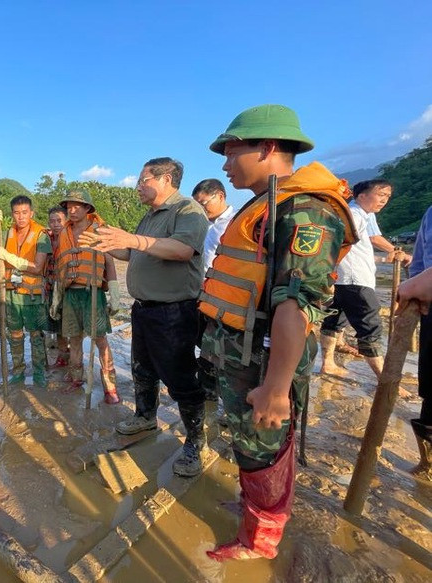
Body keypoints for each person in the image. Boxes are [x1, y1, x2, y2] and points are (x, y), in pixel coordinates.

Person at [199, 104, 357, 560]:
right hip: (240, 355)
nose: (226, 165)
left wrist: (276, 387)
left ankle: (259, 541)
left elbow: (297, 304)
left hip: (265, 363)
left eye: (232, 152)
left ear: (268, 148)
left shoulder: (304, 210)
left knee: (265, 448)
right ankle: (254, 506)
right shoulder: (266, 203)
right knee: (249, 444)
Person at [79, 157, 209, 476]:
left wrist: (132, 240)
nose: (138, 187)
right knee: (143, 369)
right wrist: (107, 245)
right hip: (145, 309)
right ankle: (145, 417)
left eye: (143, 180)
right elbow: (134, 251)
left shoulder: (187, 210)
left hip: (174, 311)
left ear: (165, 179)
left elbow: (182, 250)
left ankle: (195, 440)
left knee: (180, 378)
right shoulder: (150, 215)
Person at [319, 179, 412, 379]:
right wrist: (384, 257)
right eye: (380, 195)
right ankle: (385, 378)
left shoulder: (360, 215)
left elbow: (353, 249)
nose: (384, 200)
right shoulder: (354, 215)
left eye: (387, 196)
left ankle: (327, 363)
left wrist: (383, 257)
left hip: (343, 279)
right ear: (361, 196)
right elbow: (340, 248)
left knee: (333, 321)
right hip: (355, 280)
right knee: (371, 326)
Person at [51, 190, 121, 404]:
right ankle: (76, 379)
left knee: (100, 340)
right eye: (69, 207)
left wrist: (115, 295)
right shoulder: (64, 233)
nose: (72, 211)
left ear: (87, 208)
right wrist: (56, 298)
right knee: (74, 339)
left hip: (93, 293)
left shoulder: (100, 230)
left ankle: (110, 387)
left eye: (77, 206)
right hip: (71, 294)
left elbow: (109, 263)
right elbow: (61, 268)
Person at [0, 195, 52, 388]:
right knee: (14, 334)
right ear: (12, 215)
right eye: (17, 213)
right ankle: (18, 373)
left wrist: (8, 256)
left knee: (36, 335)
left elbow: (38, 267)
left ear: (31, 213)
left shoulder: (41, 234)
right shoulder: (7, 233)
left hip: (32, 295)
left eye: (25, 212)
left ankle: (39, 373)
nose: (21, 217)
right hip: (11, 293)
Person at [192, 179, 237, 412]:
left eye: (204, 203)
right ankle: (210, 407)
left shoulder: (235, 223)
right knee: (207, 353)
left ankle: (230, 408)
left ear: (220, 196)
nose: (201, 209)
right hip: (203, 297)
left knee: (227, 357)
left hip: (226, 302)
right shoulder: (205, 225)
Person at [399, 204, 432, 481]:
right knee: (431, 390)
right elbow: (420, 262)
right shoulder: (430, 213)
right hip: (430, 308)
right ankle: (428, 465)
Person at [46, 206, 70, 367]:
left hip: (67, 289)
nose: (55, 224)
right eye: (52, 221)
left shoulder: (71, 239)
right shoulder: (45, 239)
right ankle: (62, 357)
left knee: (71, 327)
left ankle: (72, 358)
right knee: (57, 325)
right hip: (50, 288)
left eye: (59, 221)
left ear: (66, 221)